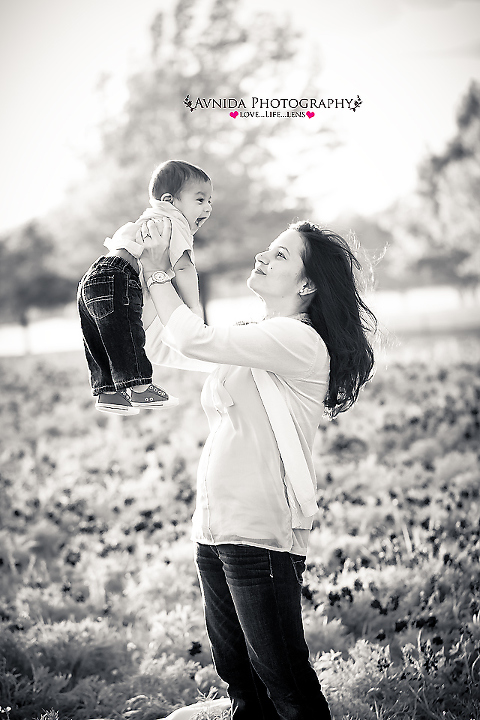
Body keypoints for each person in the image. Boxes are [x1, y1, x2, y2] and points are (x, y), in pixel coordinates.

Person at [135, 216, 376, 719]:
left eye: (281, 255)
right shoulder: (254, 336)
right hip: (214, 527)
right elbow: (167, 344)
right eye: (268, 249)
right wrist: (164, 263)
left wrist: (161, 276)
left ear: (307, 285)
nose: (263, 258)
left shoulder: (298, 341)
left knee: (283, 679)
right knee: (240, 679)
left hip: (260, 531)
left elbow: (195, 340)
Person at [77, 160, 212, 415]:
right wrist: (194, 307)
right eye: (200, 200)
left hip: (92, 277)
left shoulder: (146, 221)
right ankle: (140, 389)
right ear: (170, 200)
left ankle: (109, 393)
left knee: (101, 339)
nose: (208, 207)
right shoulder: (174, 222)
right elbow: (184, 268)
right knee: (128, 336)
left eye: (209, 201)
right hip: (119, 277)